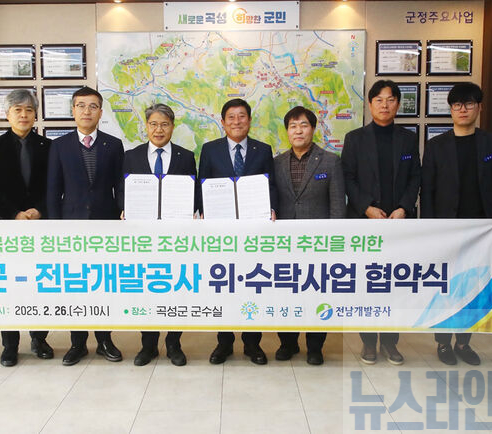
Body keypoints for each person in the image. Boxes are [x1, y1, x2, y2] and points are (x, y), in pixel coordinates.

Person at [421, 82, 492, 366]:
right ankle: (443, 343)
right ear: (451, 110)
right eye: (457, 105)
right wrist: (428, 229)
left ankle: (464, 342)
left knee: (473, 286)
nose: (463, 110)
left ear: (479, 108)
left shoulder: (490, 143)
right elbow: (427, 191)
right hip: (446, 229)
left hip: (480, 231)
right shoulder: (436, 146)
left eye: (469, 104)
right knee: (447, 288)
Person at [341, 79, 420, 365]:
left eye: (390, 99)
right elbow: (347, 177)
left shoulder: (408, 139)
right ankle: (368, 342)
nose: (384, 105)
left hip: (399, 224)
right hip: (365, 222)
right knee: (367, 283)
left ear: (397, 104)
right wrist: (366, 208)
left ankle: (390, 342)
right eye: (379, 100)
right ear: (370, 104)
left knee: (393, 284)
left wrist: (403, 208)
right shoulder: (355, 138)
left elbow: (415, 176)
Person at [47, 86, 124, 366]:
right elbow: (53, 190)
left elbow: (120, 185)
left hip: (106, 226)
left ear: (101, 112)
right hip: (72, 227)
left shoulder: (113, 145)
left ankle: (104, 340)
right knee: (76, 285)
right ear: (73, 111)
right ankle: (77, 344)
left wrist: (123, 214)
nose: (86, 111)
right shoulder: (59, 146)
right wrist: (55, 228)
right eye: (81, 106)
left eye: (93, 106)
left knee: (104, 284)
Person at [197, 98, 278, 365]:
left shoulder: (262, 150)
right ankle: (224, 343)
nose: (236, 121)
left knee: (253, 284)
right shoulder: (210, 149)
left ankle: (252, 344)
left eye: (242, 116)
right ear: (222, 122)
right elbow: (202, 184)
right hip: (221, 232)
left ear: (249, 121)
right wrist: (202, 211)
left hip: (254, 231)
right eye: (231, 117)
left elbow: (271, 185)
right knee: (224, 286)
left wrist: (272, 209)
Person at [118, 103, 195, 367]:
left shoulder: (186, 156)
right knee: (147, 288)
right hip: (143, 236)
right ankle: (148, 345)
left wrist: (193, 213)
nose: (158, 129)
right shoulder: (131, 156)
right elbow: (122, 190)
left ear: (172, 127)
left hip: (176, 236)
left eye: (164, 124)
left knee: (176, 287)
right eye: (153, 124)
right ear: (146, 126)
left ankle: (174, 344)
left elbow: (193, 192)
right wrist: (123, 210)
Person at [0, 89, 53, 367]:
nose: (23, 115)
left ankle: (39, 339)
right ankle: (9, 345)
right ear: (7, 114)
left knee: (39, 284)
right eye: (17, 110)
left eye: (29, 110)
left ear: (36, 115)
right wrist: (13, 214)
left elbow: (54, 185)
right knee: (9, 286)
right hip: (7, 227)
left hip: (39, 225)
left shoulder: (48, 147)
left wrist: (38, 209)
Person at [273, 106, 345, 365]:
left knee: (316, 293)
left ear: (313, 129)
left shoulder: (330, 161)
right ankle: (288, 343)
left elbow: (338, 205)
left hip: (318, 243)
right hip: (284, 243)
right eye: (293, 126)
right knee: (286, 292)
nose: (298, 131)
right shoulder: (277, 163)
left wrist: (334, 242)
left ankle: (315, 347)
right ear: (287, 131)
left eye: (303, 125)